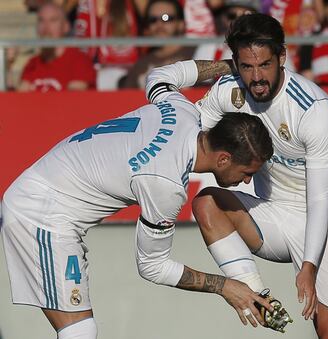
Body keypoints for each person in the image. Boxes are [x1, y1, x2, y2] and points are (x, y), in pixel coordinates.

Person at [1, 59, 277, 338]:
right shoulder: (166, 183)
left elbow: (159, 74)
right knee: (80, 332)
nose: (246, 181)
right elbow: (152, 266)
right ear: (223, 159)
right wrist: (225, 286)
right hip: (41, 214)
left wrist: (231, 65)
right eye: (246, 172)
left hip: (46, 204)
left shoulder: (181, 110)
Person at [167, 13, 328, 339]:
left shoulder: (314, 109)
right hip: (273, 214)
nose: (256, 77)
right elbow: (190, 135)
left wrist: (308, 267)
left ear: (282, 57)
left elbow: (319, 198)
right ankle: (257, 296)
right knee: (207, 203)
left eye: (265, 65)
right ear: (234, 64)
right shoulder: (228, 91)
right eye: (246, 67)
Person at [18, 2, 96, 92]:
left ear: (66, 27)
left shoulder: (80, 62)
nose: (46, 27)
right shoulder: (33, 64)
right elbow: (19, 98)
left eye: (53, 20)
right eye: (41, 20)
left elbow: (76, 101)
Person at [118, 0, 195, 89]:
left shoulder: (196, 55)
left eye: (166, 18)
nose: (159, 25)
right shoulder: (140, 65)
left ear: (181, 24)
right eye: (153, 20)